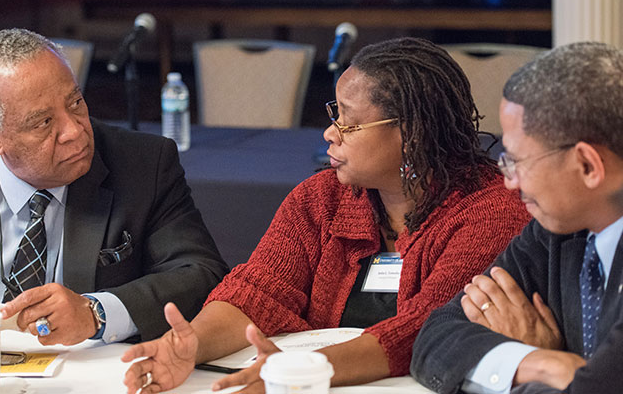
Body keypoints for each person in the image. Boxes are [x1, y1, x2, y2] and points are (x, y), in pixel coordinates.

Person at [121, 37, 532, 393]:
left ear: (414, 133)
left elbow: (428, 329)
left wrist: (303, 370)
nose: (330, 133)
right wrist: (189, 344)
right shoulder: (322, 198)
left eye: (349, 123)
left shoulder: (491, 210)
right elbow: (257, 293)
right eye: (335, 115)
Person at [0, 28, 229, 346]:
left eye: (75, 102)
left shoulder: (143, 164)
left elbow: (201, 272)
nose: (74, 131)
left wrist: (95, 312)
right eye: (43, 122)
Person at [411, 41, 623, 394]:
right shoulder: (558, 229)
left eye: (516, 160)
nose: (508, 181)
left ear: (587, 165)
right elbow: (436, 337)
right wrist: (540, 361)